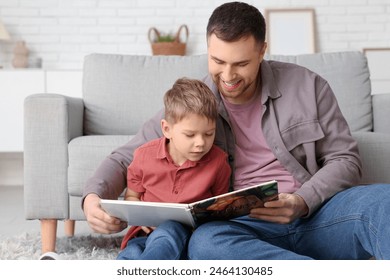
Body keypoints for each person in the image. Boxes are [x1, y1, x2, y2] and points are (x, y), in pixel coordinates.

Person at [83, 2, 390, 259]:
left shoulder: (309, 86)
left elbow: (346, 160)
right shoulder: (195, 102)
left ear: (262, 51)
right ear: (207, 49)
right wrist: (92, 198)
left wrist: (303, 201)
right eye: (218, 61)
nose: (227, 76)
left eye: (241, 63)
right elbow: (126, 157)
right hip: (242, 228)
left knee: (382, 201)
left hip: (316, 215)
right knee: (205, 243)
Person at [115, 78, 231, 260]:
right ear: (167, 129)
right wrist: (144, 217)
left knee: (170, 230)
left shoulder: (218, 162)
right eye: (190, 135)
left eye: (209, 134)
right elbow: (132, 197)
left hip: (188, 237)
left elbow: (220, 208)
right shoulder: (143, 156)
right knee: (131, 254)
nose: (201, 143)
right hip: (145, 234)